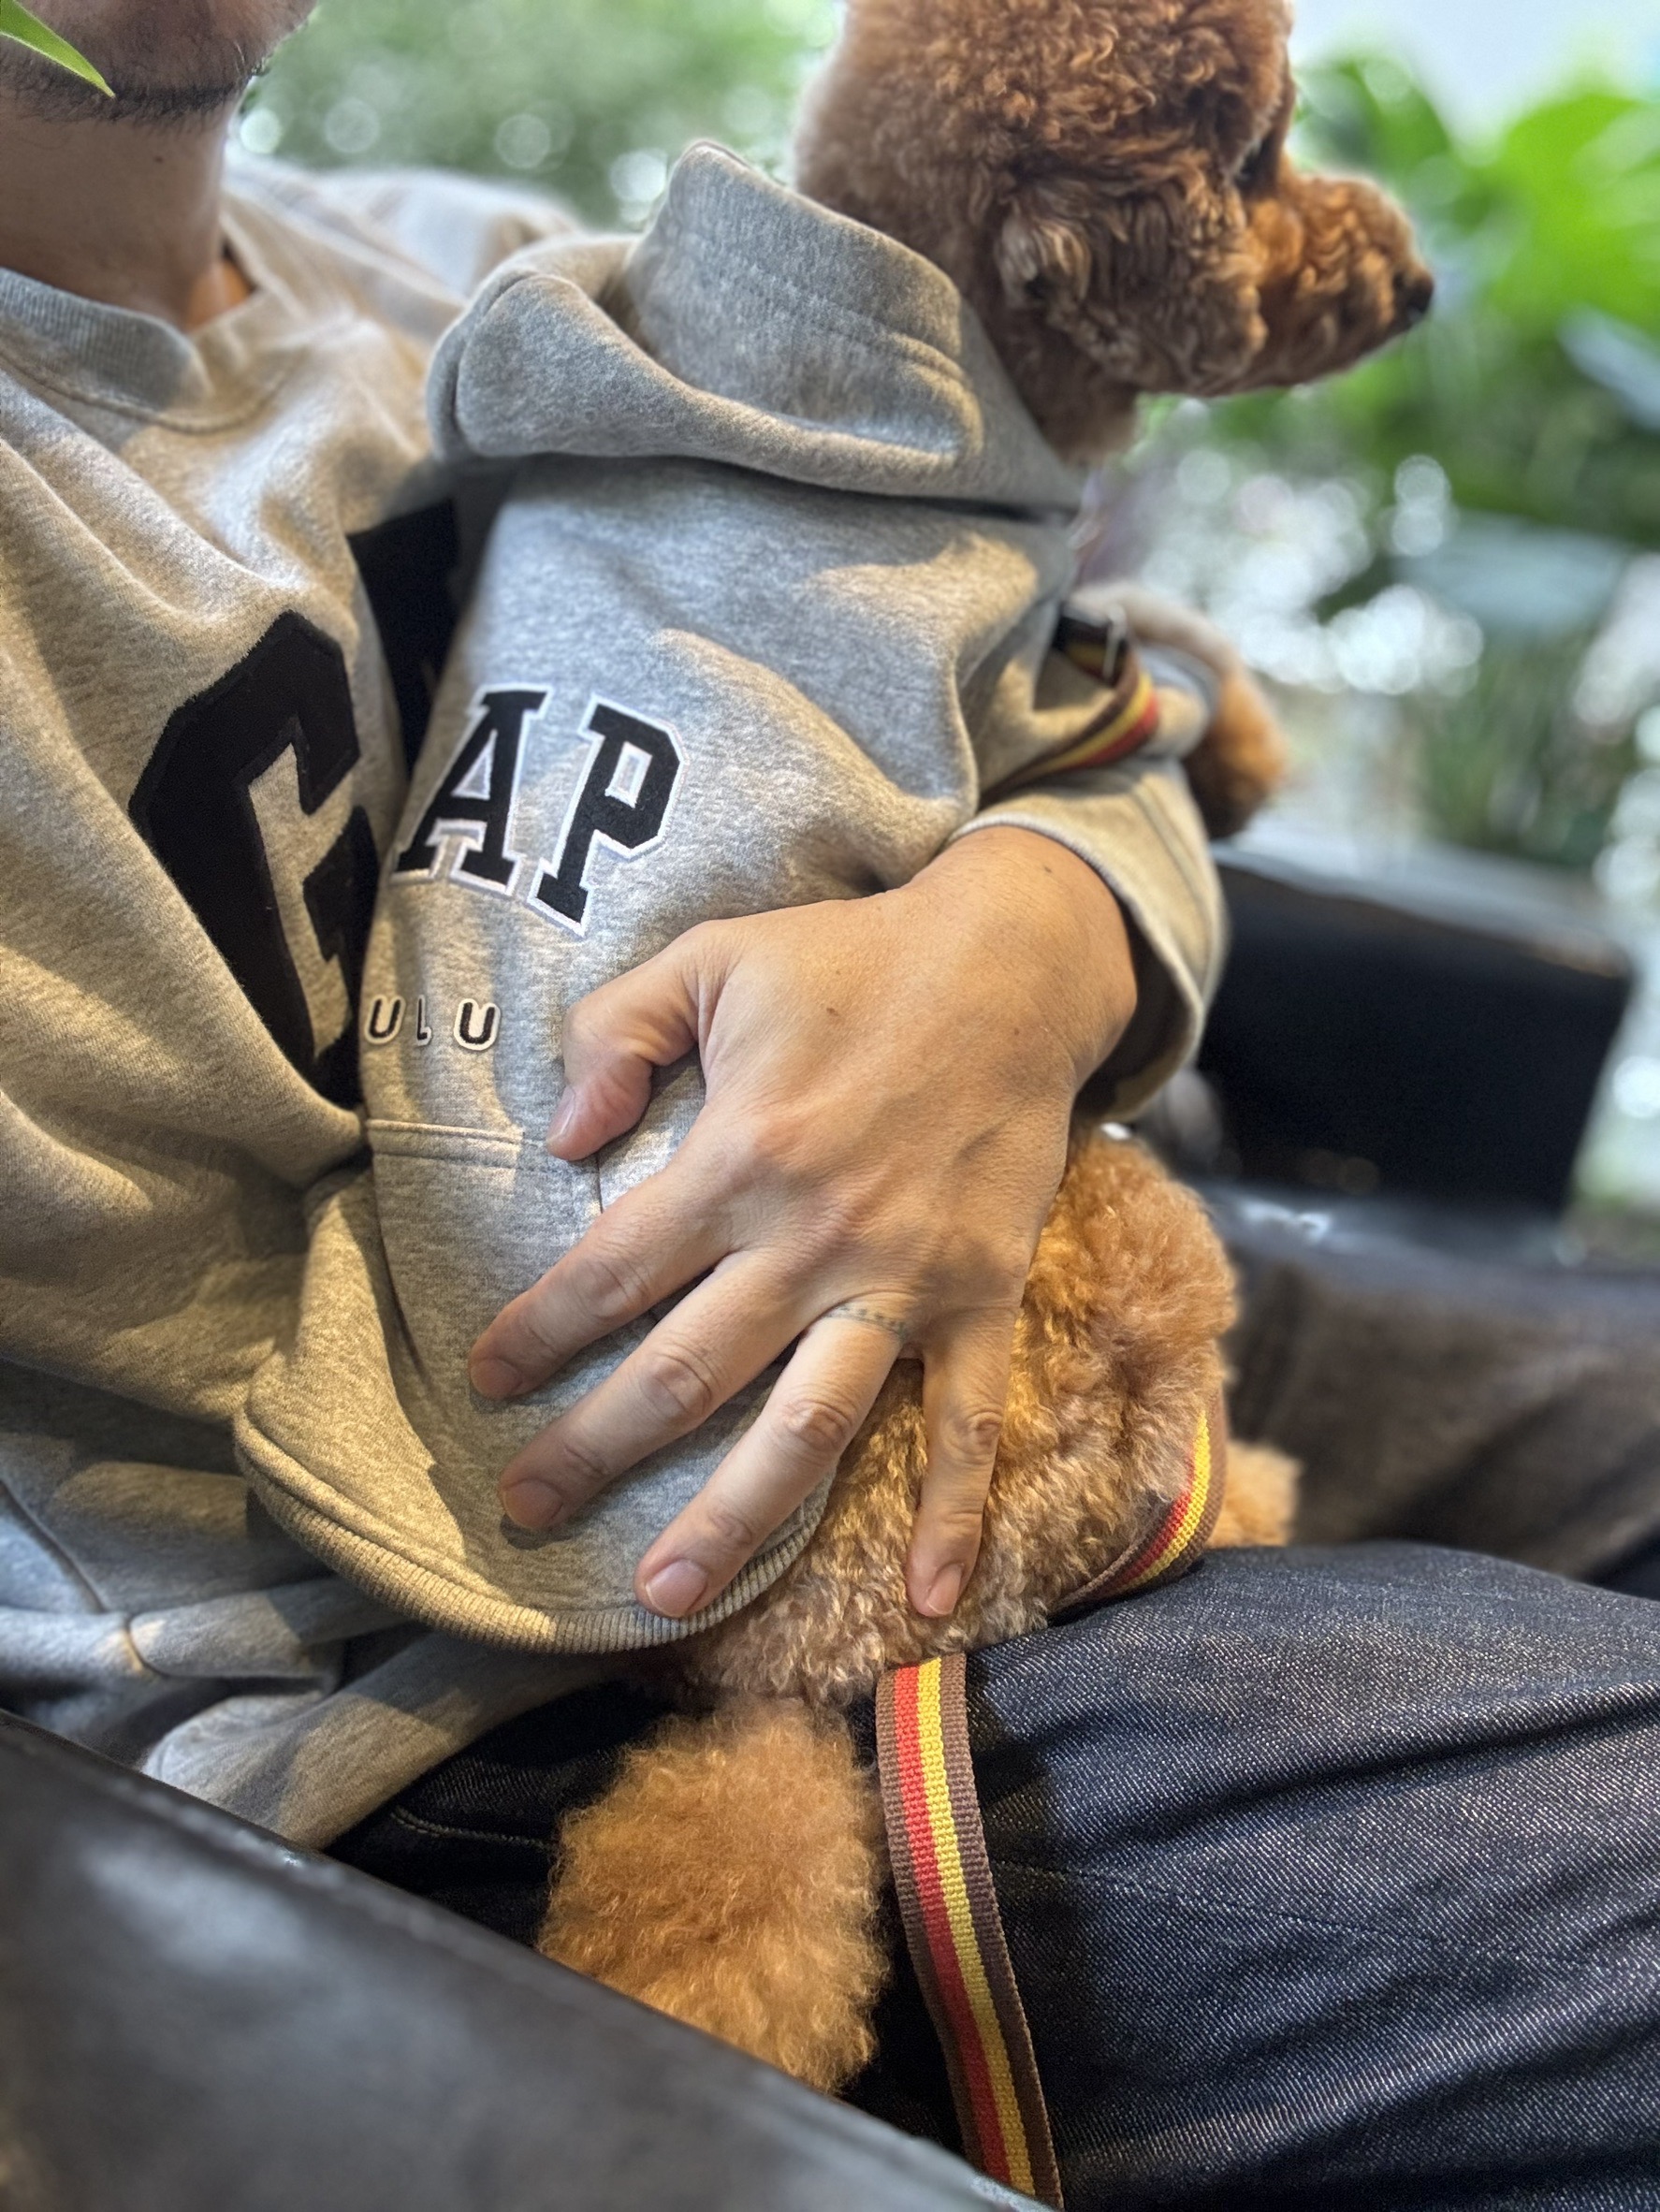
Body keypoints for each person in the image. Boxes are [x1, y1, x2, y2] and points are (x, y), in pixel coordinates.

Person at [3, 7, 1658, 2205]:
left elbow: (1123, 684)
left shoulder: (506, 283)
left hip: (1041, 1275)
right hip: (463, 1666)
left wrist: (1029, 942)